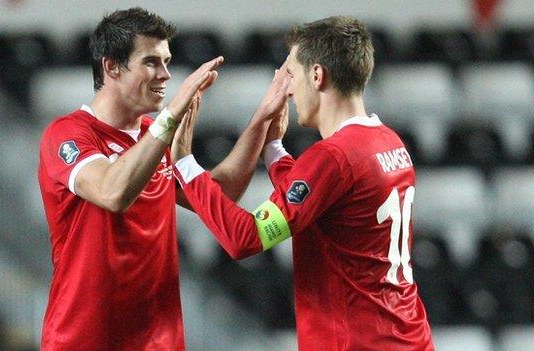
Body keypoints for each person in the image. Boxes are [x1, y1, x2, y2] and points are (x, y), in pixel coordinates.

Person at [173, 16, 435, 350]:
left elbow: (245, 238)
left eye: (291, 76)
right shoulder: (388, 142)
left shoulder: (334, 156)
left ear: (316, 75)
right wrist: (273, 148)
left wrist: (185, 163)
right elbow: (316, 197)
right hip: (408, 337)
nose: (290, 89)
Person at [37, 7, 289, 351]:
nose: (166, 75)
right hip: (84, 339)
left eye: (167, 61)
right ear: (112, 66)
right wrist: (170, 117)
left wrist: (260, 122)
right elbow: (112, 192)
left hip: (158, 342)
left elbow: (218, 195)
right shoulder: (67, 134)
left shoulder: (151, 137)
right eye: (151, 62)